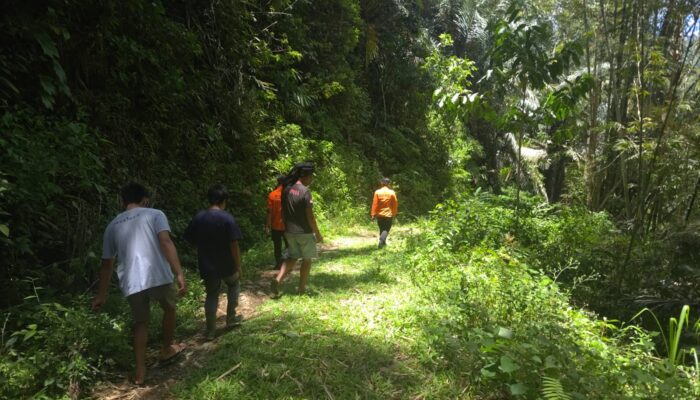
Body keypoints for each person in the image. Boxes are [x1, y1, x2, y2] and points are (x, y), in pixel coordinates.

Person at [92, 182, 187, 386]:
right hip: (158, 274)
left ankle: (140, 373)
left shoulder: (112, 225)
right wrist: (179, 272)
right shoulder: (155, 214)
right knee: (169, 309)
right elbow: (166, 242)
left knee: (140, 323)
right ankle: (166, 349)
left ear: (123, 201)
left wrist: (101, 295)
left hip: (131, 280)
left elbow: (107, 264)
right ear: (144, 199)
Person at [184, 184, 243, 340]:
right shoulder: (227, 218)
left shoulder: (199, 217)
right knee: (234, 284)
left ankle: (210, 331)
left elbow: (190, 240)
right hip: (227, 264)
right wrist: (238, 266)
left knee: (211, 295)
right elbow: (234, 244)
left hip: (207, 264)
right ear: (224, 200)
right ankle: (231, 318)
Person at [271, 162, 323, 296]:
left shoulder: (287, 189)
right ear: (305, 176)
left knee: (293, 257)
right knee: (306, 260)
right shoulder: (305, 192)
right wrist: (317, 233)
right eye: (311, 176)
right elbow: (310, 216)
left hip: (289, 231)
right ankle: (301, 289)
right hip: (304, 232)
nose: (312, 179)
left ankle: (278, 279)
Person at [265, 175, 288, 268]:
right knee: (289, 245)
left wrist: (267, 226)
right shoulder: (288, 194)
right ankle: (286, 263)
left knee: (277, 246)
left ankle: (279, 264)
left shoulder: (272, 195)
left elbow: (269, 212)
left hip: (275, 225)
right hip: (287, 226)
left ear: (277, 182)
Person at [371, 177, 398, 248]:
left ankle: (383, 243)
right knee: (386, 230)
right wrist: (394, 213)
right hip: (388, 214)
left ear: (381, 183)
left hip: (379, 215)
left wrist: (373, 214)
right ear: (389, 184)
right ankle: (381, 242)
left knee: (382, 229)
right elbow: (395, 204)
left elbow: (375, 204)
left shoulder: (377, 192)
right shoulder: (392, 192)